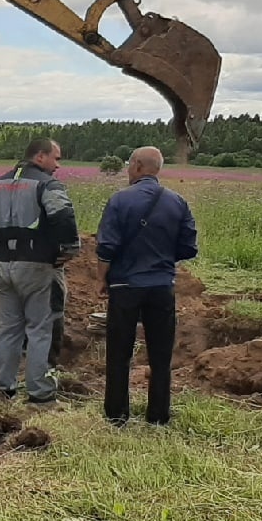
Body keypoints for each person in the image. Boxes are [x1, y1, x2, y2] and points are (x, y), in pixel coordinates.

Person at [0, 138, 81, 403]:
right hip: (38, 266)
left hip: (2, 265)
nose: (58, 165)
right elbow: (62, 215)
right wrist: (69, 250)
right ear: (40, 157)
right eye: (56, 158)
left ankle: (2, 387)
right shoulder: (46, 185)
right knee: (41, 329)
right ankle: (41, 393)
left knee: (8, 328)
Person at [95, 146, 198, 426]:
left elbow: (106, 247)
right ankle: (158, 417)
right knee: (161, 355)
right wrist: (163, 258)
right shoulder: (178, 202)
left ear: (138, 166)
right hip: (162, 285)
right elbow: (189, 247)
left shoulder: (119, 200)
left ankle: (116, 416)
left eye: (129, 165)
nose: (128, 170)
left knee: (119, 353)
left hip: (124, 285)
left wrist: (102, 278)